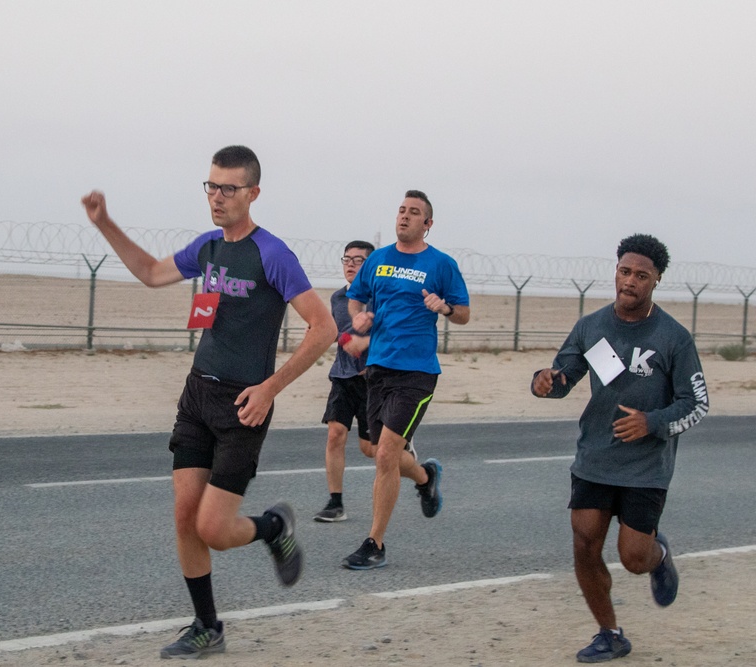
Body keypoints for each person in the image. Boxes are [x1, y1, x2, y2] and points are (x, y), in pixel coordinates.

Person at [80, 145, 337, 660]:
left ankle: (272, 527)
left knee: (215, 529)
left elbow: (324, 326)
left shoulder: (273, 254)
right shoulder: (208, 248)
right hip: (197, 393)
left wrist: (270, 388)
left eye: (229, 189)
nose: (217, 198)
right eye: (211, 187)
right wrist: (104, 222)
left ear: (253, 193)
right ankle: (207, 626)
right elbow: (152, 273)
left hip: (245, 402)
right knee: (184, 517)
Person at [530, 233, 710, 663]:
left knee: (632, 558)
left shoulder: (673, 338)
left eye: (641, 275)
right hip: (595, 457)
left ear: (656, 280)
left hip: (646, 467)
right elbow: (563, 377)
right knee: (585, 544)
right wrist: (544, 381)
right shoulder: (592, 327)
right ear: (616, 272)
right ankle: (609, 632)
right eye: (624, 271)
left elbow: (697, 404)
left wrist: (653, 422)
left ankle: (659, 553)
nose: (630, 282)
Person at [340, 190, 470, 569]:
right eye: (401, 210)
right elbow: (356, 298)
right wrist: (359, 318)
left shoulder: (441, 264)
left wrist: (443, 307)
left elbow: (463, 313)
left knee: (384, 454)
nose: (405, 217)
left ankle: (374, 543)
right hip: (378, 367)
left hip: (417, 372)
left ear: (427, 224)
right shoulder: (378, 260)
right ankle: (426, 476)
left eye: (414, 213)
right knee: (382, 451)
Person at [314, 240, 378, 522]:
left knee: (370, 449)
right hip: (342, 376)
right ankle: (335, 503)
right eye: (346, 259)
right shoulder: (338, 299)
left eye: (358, 260)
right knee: (335, 434)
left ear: (371, 266)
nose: (350, 264)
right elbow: (336, 332)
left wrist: (366, 343)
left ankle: (418, 468)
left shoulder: (380, 297)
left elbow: (395, 335)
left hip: (373, 381)